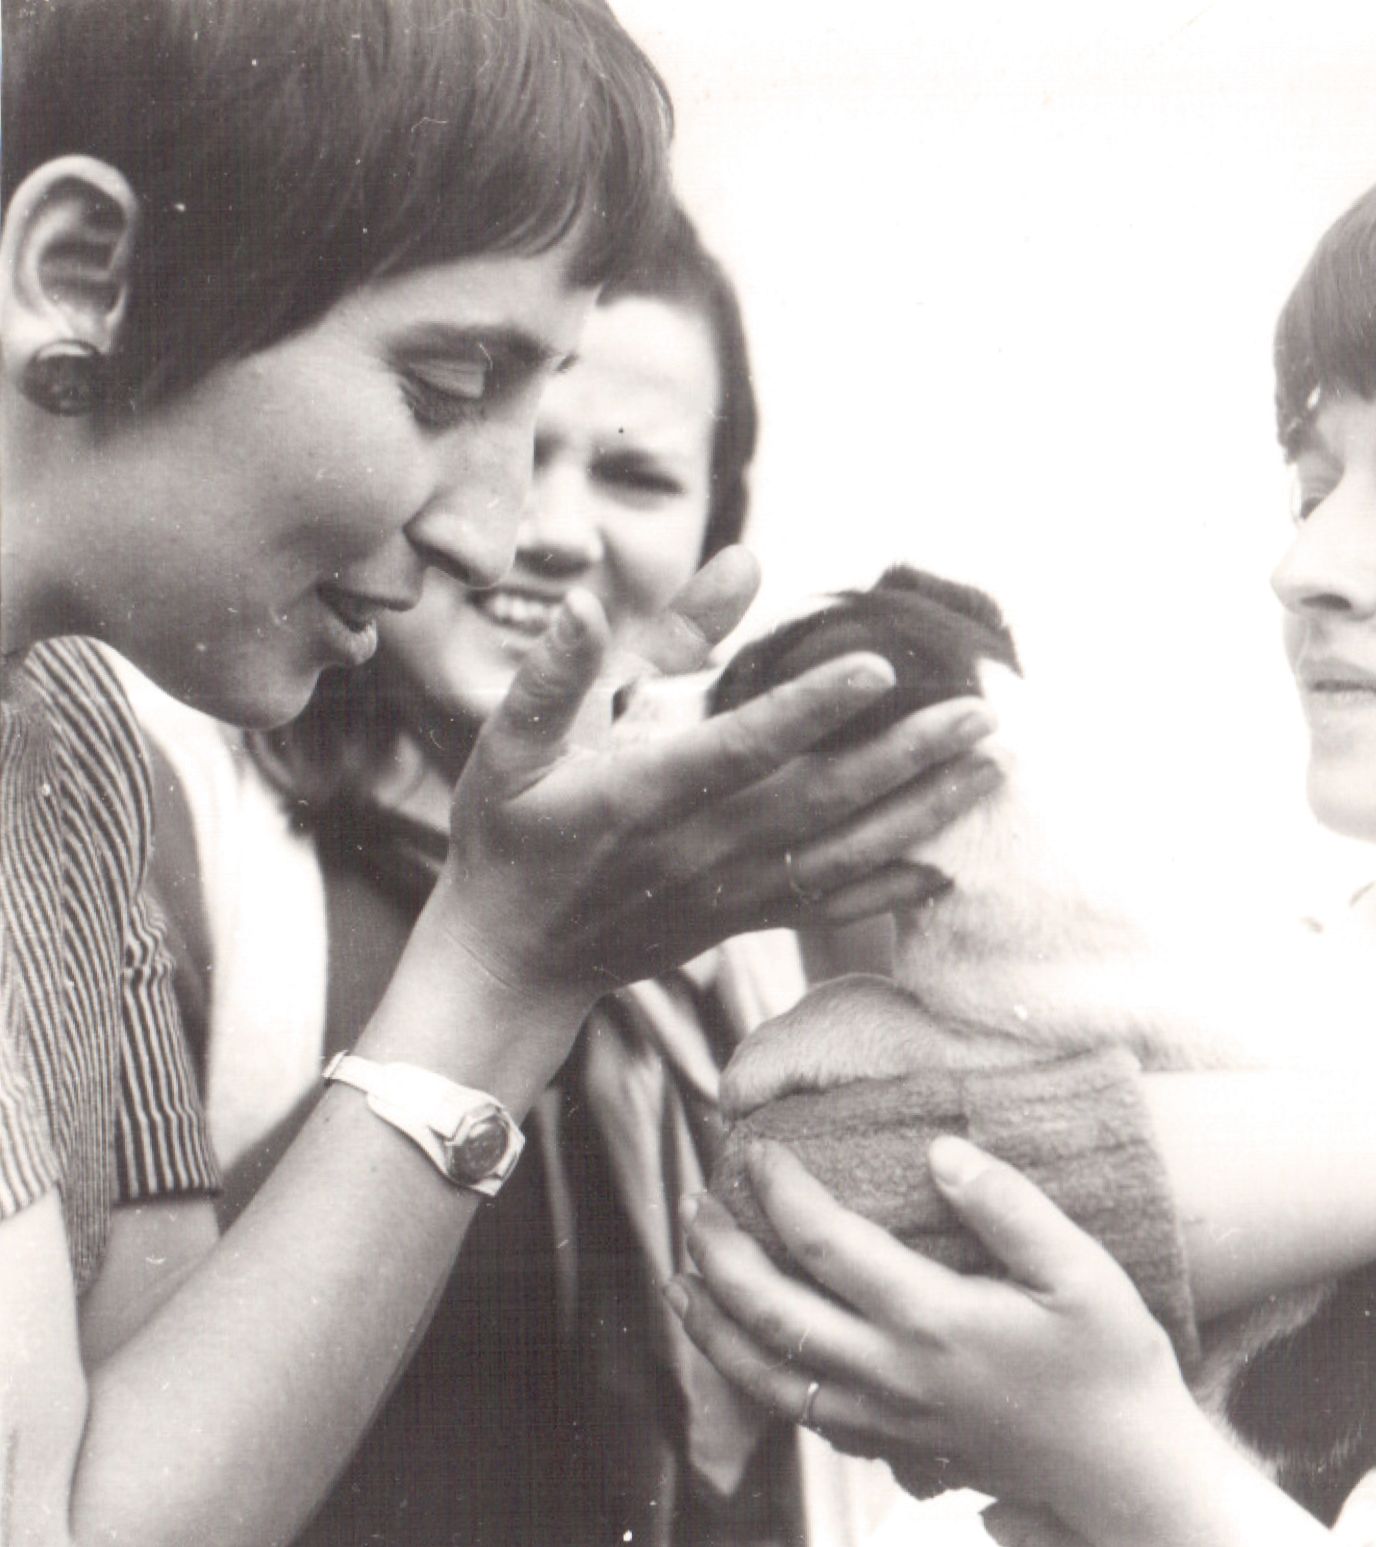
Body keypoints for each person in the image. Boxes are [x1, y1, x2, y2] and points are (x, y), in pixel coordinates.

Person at [668, 101, 1376, 1546]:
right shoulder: (1265, 977)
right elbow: (798, 1216)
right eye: (1311, 489)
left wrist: (1145, 1478)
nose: (1306, 564)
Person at [0, 4, 993, 1544]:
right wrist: (498, 971)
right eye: (445, 388)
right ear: (82, 275)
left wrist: (512, 960)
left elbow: (110, 1506)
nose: (496, 530)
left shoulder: (73, 758)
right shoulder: (175, 813)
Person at [124, 206, 912, 1546]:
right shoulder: (181, 829)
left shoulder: (737, 931)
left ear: (716, 524)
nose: (549, 531)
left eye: (638, 477)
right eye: (507, 442)